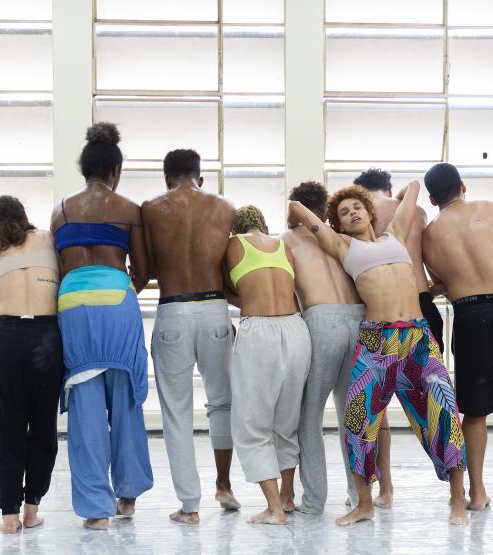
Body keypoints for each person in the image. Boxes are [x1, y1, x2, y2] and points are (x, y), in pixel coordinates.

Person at [288, 182, 468, 527]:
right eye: (344, 212)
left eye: (357, 207)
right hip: (375, 342)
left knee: (444, 415)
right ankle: (365, 503)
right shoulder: (342, 245)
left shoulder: (396, 234)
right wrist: (313, 212)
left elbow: (414, 188)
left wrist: (393, 194)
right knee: (358, 422)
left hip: (416, 337)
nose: (353, 213)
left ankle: (457, 501)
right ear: (337, 224)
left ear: (370, 212)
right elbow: (297, 208)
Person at [49, 122, 153, 530]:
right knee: (126, 398)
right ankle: (126, 496)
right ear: (115, 171)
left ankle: (96, 510)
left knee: (86, 407)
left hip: (72, 301)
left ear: (84, 169)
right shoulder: (129, 209)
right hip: (116, 298)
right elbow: (142, 270)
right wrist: (121, 289)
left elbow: (58, 268)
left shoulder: (61, 209)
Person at [421, 163, 493, 511]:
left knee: (473, 412)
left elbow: (439, 279)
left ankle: (477, 493)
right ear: (463, 186)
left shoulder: (429, 235)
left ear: (432, 198)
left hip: (469, 313)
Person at [141, 149, 240, 524]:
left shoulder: (151, 208)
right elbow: (232, 265)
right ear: (201, 177)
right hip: (215, 308)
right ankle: (224, 485)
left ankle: (190, 505)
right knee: (223, 403)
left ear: (167, 178)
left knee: (177, 413)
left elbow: (146, 268)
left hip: (173, 310)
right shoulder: (225, 207)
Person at [353, 167, 442, 508]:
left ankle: (386, 489)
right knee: (436, 396)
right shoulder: (415, 211)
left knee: (378, 409)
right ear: (390, 188)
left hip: (384, 315)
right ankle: (459, 484)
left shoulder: (364, 216)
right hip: (423, 308)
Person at [280, 181, 364, 514]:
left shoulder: (286, 241)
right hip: (358, 320)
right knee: (352, 414)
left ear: (293, 210)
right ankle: (358, 496)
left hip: (321, 319)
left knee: (309, 413)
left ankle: (314, 500)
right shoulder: (340, 237)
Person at [0, 196, 64, 534]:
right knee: (43, 427)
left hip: (6, 336)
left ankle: (8, 517)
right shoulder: (48, 238)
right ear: (24, 215)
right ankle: (32, 511)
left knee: (11, 428)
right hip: (45, 335)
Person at [225, 206, 311, 525]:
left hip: (259, 331)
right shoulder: (283, 246)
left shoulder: (234, 244)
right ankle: (287, 497)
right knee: (286, 423)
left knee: (252, 426)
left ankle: (274, 508)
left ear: (236, 226)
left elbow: (230, 289)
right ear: (263, 223)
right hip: (296, 329)